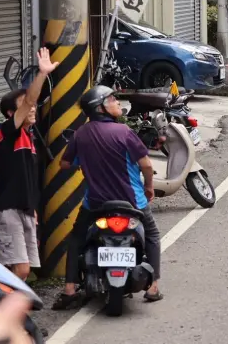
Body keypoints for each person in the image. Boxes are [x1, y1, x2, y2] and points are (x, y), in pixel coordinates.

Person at [53, 85, 162, 310]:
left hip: (96, 203)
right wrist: (149, 187)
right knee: (151, 234)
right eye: (112, 99)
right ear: (100, 107)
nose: (116, 102)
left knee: (76, 239)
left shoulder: (80, 134)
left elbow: (64, 164)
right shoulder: (124, 133)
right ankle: (153, 288)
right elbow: (147, 165)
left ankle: (70, 289)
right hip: (133, 203)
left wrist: (83, 160)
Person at [0, 47, 58, 280]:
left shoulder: (30, 139)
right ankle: (3, 310)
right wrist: (42, 73)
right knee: (20, 270)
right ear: (12, 113)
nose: (32, 108)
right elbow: (31, 98)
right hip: (9, 209)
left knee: (22, 270)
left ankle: (5, 306)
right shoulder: (7, 132)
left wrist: (33, 210)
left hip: (26, 210)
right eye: (25, 106)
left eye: (32, 106)